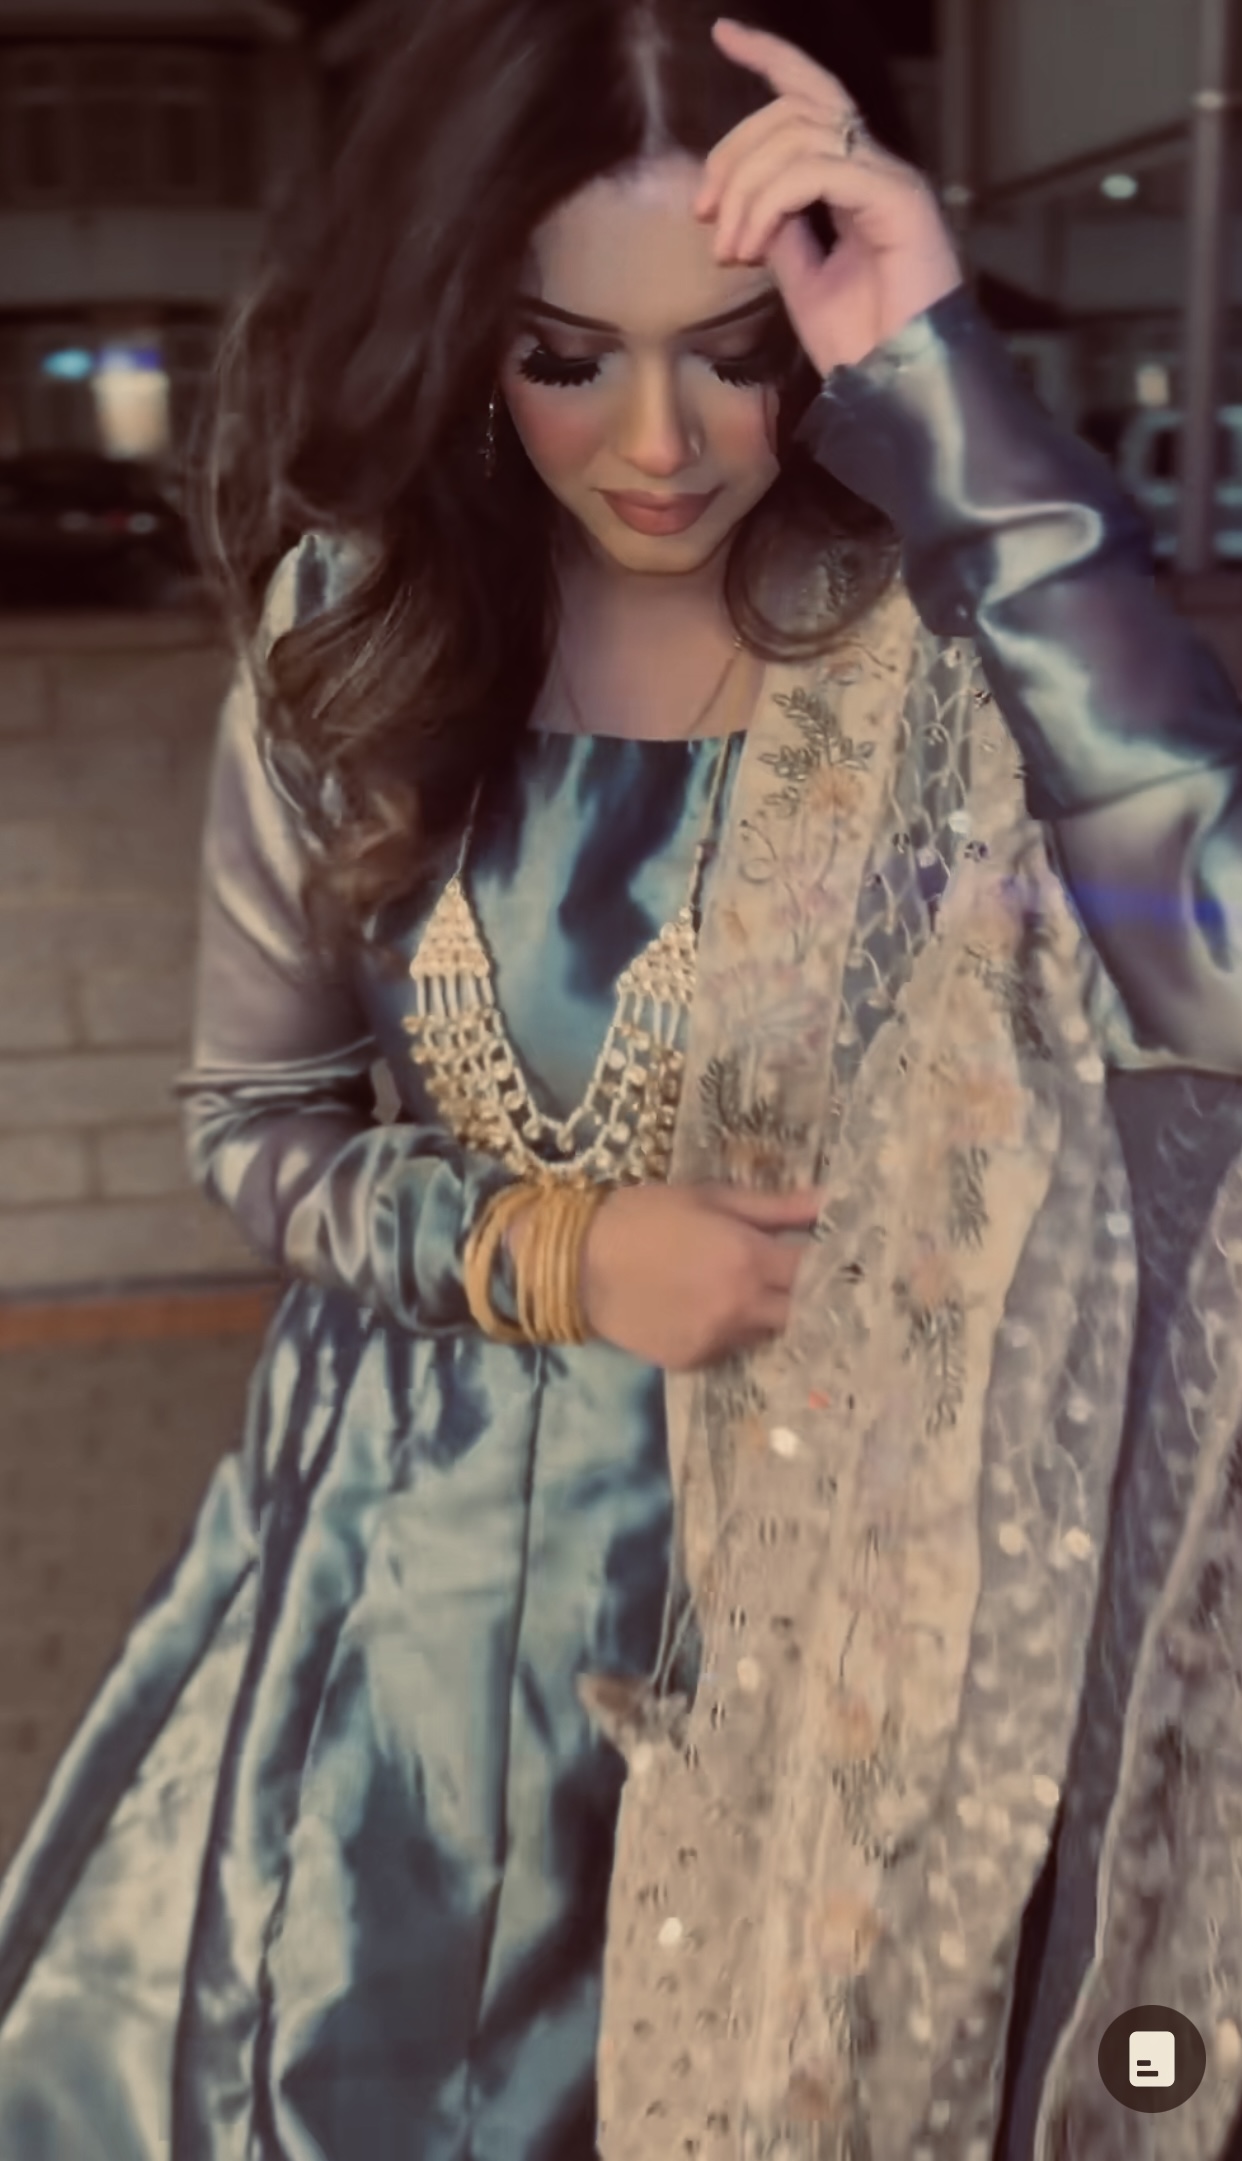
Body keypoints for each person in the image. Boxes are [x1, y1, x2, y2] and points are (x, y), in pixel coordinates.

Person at [2, 0, 1242, 2155]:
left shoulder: (945, 651)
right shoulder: (355, 632)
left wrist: (948, 390)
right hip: (416, 1597)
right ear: (465, 337)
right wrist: (556, 1251)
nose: (658, 442)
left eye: (737, 353)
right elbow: (252, 1123)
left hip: (847, 1615)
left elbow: (1214, 969)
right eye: (567, 356)